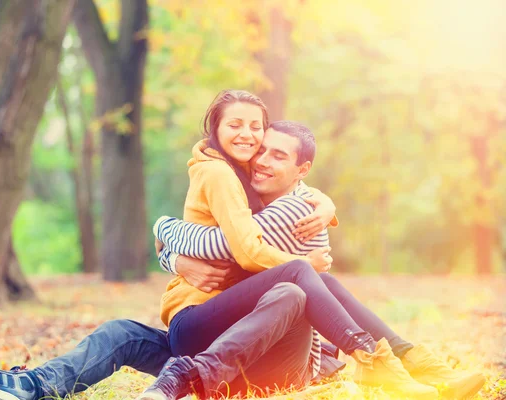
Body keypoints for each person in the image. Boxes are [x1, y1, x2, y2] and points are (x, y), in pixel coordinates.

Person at [138, 90, 485, 400]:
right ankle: (403, 362)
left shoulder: (290, 205)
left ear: (301, 170)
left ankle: (399, 362)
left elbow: (224, 246)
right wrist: (169, 244)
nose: (260, 159)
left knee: (306, 275)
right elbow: (231, 246)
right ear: (215, 129)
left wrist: (165, 232)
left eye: (277, 155)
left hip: (231, 331)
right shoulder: (240, 182)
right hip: (203, 324)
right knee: (307, 273)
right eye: (262, 150)